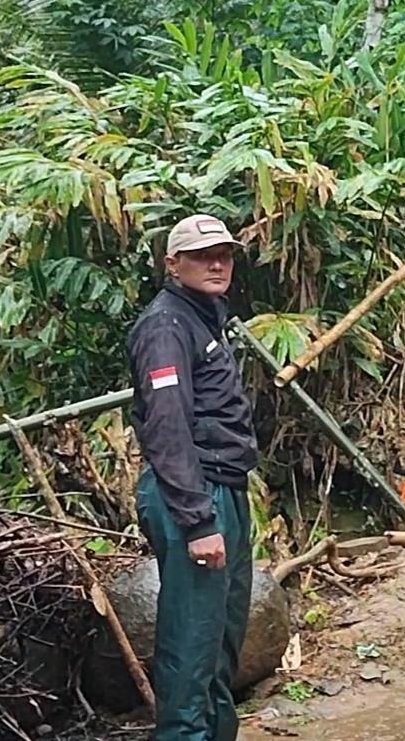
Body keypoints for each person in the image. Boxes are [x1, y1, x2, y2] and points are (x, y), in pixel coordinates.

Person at [128, 214, 257, 741]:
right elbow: (167, 427)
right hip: (194, 494)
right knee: (191, 646)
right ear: (172, 264)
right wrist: (199, 520)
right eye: (203, 255)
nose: (217, 263)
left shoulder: (205, 317)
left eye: (224, 254)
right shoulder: (166, 326)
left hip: (224, 487)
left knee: (221, 644)